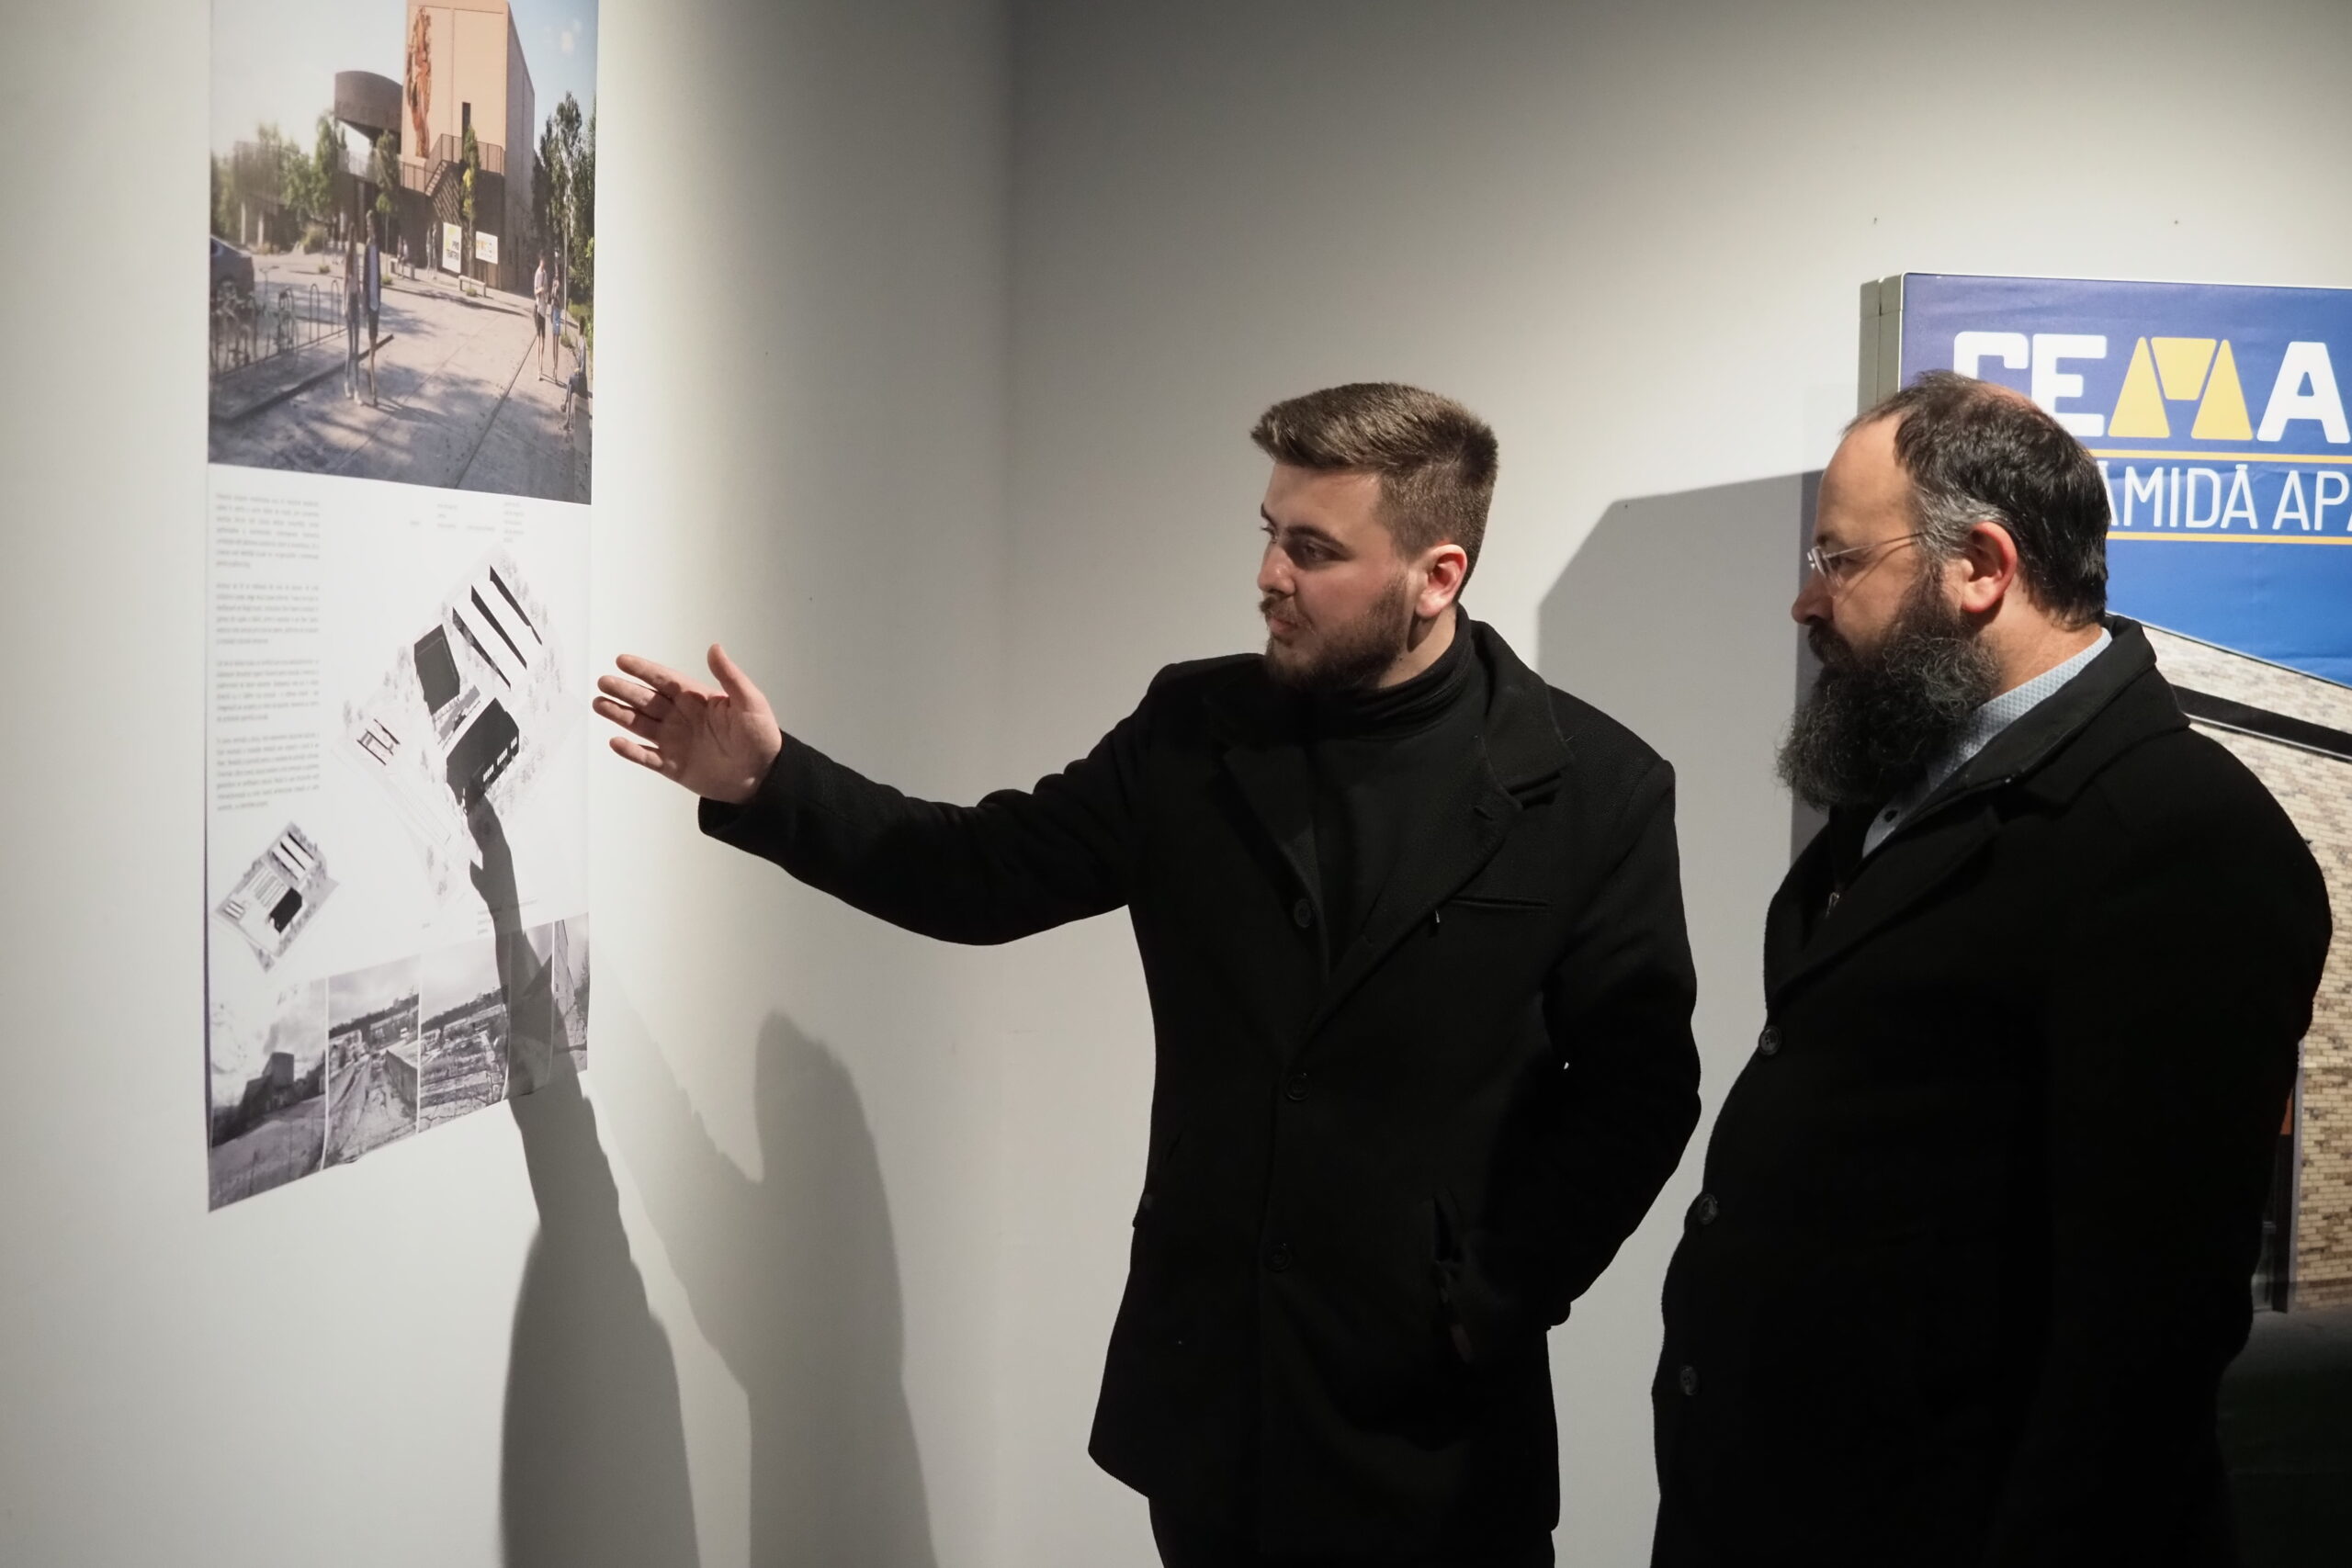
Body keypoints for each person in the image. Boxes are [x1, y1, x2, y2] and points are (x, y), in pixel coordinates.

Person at [597, 383, 1702, 1565]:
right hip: (1211, 1404)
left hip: (1436, 1430)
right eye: (1269, 533)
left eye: (1313, 549)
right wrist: (769, 783)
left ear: (1437, 577)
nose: (1268, 575)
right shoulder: (1194, 727)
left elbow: (1638, 1094)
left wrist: (1490, 1299)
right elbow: (983, 874)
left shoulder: (1595, 788)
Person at [1650, 372, 2332, 1566]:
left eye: (1839, 559)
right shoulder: (1908, 787)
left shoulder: (2175, 839)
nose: (1805, 600)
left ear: (1980, 566)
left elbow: (2145, 1334)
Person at [362, 213, 382, 407]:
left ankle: (370, 370)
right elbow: (365, 278)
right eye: (367, 225)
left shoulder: (377, 246)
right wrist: (364, 305)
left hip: (377, 303)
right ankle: (374, 391)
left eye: (370, 225)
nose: (368, 228)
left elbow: (377, 275)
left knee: (374, 345)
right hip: (370, 304)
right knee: (371, 344)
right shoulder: (367, 248)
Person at [341, 229, 361, 400]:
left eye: (355, 237)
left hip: (355, 300)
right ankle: (347, 382)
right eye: (352, 237)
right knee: (350, 347)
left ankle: (357, 388)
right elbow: (344, 282)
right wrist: (343, 304)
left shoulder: (357, 257)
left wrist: (361, 301)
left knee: (357, 348)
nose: (354, 241)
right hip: (349, 301)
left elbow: (358, 281)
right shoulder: (348, 256)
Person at [532, 252, 550, 381]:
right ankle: (539, 369)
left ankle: (541, 364)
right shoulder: (538, 274)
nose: (544, 263)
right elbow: (535, 291)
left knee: (544, 341)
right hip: (538, 309)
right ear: (540, 261)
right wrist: (540, 290)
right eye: (542, 261)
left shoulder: (545, 274)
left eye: (545, 261)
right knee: (539, 340)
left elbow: (547, 289)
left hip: (544, 309)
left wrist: (546, 294)